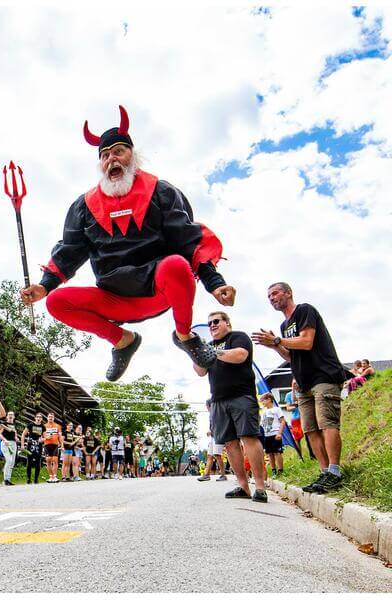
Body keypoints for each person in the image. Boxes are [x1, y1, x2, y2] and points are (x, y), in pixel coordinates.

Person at [20, 105, 235, 382]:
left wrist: (215, 283)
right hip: (115, 298)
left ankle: (185, 336)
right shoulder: (84, 206)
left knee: (176, 265)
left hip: (159, 289)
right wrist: (44, 286)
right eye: (105, 156)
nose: (112, 160)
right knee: (58, 302)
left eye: (118, 152)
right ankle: (123, 341)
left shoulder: (161, 191)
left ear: (133, 156)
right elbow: (70, 250)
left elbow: (188, 240)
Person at [252, 282, 348, 494]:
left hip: (324, 375)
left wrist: (278, 339)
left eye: (275, 293)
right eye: (268, 296)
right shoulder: (284, 326)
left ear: (288, 293)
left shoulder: (304, 310)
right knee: (310, 429)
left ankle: (335, 471)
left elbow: (306, 342)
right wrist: (276, 345)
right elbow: (290, 356)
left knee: (327, 423)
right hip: (303, 382)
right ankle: (325, 473)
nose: (271, 298)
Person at [196, 311, 266, 502]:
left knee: (248, 437)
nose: (212, 325)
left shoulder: (238, 337)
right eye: (209, 323)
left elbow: (240, 355)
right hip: (218, 400)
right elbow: (200, 371)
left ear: (227, 322)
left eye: (216, 321)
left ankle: (260, 486)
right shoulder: (207, 346)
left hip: (242, 395)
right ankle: (243, 486)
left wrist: (213, 353)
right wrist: (193, 350)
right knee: (229, 443)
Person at [198, 399, 228, 482]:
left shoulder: (217, 413)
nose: (206, 408)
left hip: (218, 436)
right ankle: (206, 474)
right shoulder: (211, 415)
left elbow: (220, 425)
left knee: (217, 455)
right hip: (213, 437)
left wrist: (212, 431)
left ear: (209, 406)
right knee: (210, 455)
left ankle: (223, 475)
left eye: (207, 406)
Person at [259, 393, 287, 478]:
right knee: (269, 453)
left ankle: (280, 470)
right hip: (267, 435)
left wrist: (279, 433)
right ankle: (273, 470)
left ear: (269, 399)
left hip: (275, 433)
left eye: (263, 400)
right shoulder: (263, 411)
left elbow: (282, 421)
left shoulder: (276, 409)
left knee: (277, 452)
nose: (262, 402)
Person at [21, 413, 45, 484]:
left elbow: (45, 437)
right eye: (37, 417)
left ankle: (36, 479)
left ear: (41, 419)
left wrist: (42, 439)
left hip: (38, 446)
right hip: (30, 445)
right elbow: (23, 434)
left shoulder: (43, 427)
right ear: (35, 418)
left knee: (38, 462)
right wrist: (22, 445)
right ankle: (28, 479)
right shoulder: (30, 425)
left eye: (40, 417)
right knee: (29, 462)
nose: (38, 418)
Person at [0, 411, 18, 486]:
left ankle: (8, 479)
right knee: (9, 460)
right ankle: (5, 479)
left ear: (14, 417)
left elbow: (14, 433)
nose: (10, 416)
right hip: (5, 443)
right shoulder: (4, 424)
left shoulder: (14, 425)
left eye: (12, 415)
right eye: (9, 414)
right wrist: (4, 440)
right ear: (7, 416)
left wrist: (16, 438)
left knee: (12, 462)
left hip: (13, 444)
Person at [42, 412, 62, 483]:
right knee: (48, 460)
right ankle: (51, 476)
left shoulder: (58, 426)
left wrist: (61, 444)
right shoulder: (44, 426)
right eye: (49, 417)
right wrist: (46, 437)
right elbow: (42, 436)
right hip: (47, 445)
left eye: (52, 417)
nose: (50, 418)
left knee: (55, 460)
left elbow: (60, 436)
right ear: (47, 418)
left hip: (55, 445)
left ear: (54, 418)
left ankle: (55, 476)